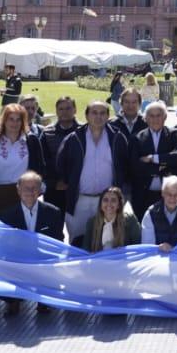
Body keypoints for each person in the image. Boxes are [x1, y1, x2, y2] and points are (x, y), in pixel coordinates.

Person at [55, 101, 131, 245]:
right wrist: (67, 181)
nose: (98, 117)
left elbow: (125, 165)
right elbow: (61, 163)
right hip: (80, 200)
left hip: (107, 202)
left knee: (105, 242)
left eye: (103, 113)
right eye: (94, 113)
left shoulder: (117, 137)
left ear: (108, 116)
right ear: (87, 116)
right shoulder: (74, 138)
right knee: (77, 241)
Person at [0, 170, 65, 315]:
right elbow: (3, 247)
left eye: (34, 188)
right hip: (18, 261)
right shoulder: (7, 215)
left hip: (43, 260)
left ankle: (44, 301)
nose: (30, 192)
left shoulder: (53, 213)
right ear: (18, 190)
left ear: (40, 190)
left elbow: (58, 241)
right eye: (26, 188)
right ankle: (13, 300)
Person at [0, 103, 45, 216]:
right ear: (4, 120)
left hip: (24, 195)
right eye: (11, 119)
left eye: (18, 120)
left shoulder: (31, 141)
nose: (14, 123)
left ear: (23, 121)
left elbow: (40, 167)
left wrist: (37, 190)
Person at [132, 101, 177, 214]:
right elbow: (135, 165)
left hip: (170, 195)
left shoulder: (175, 134)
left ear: (165, 117)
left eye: (158, 115)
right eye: (151, 116)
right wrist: (164, 167)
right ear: (145, 118)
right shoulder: (137, 138)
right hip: (144, 193)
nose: (155, 119)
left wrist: (152, 159)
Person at [40, 95, 81, 211]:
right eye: (61, 109)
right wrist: (53, 183)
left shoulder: (84, 131)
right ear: (56, 111)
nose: (65, 112)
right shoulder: (47, 133)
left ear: (75, 110)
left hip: (78, 189)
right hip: (54, 189)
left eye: (68, 108)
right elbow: (43, 162)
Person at [140, 175, 177, 250]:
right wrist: (159, 248)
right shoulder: (150, 214)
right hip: (158, 259)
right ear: (163, 194)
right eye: (169, 194)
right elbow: (147, 247)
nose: (173, 198)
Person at [82, 186, 141, 252]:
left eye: (113, 200)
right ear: (100, 204)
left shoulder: (130, 220)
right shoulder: (92, 222)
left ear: (119, 205)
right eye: (105, 200)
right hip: (99, 260)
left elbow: (138, 246)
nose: (109, 204)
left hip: (122, 260)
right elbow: (86, 248)